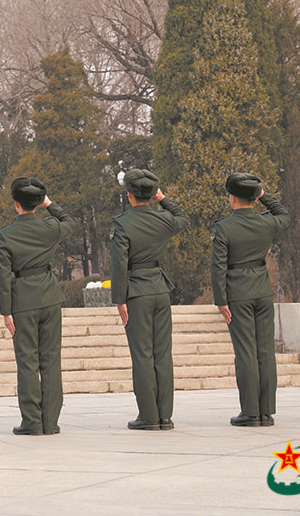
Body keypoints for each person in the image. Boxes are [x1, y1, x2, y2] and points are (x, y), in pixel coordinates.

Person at [0, 177, 75, 436]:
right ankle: (50, 421)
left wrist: (5, 310)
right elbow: (69, 222)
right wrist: (49, 203)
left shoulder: (5, 235)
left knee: (27, 361)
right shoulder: (50, 227)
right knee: (51, 359)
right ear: (38, 204)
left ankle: (32, 421)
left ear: (15, 203)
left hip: (23, 300)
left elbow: (3, 277)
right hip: (50, 297)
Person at [109, 169, 187, 431]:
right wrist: (163, 198)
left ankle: (148, 416)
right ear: (152, 195)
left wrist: (119, 299)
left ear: (129, 195)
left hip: (137, 292)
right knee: (162, 354)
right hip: (160, 289)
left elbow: (120, 265)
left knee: (142, 355)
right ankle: (165, 415)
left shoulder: (122, 224)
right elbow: (181, 217)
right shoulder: (163, 220)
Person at [210, 174, 290, 427]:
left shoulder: (224, 227)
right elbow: (283, 214)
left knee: (245, 352)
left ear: (232, 198)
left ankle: (250, 412)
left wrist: (221, 299)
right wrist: (263, 195)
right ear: (255, 198)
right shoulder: (267, 223)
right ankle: (266, 411)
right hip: (262, 290)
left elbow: (218, 266)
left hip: (238, 292)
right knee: (265, 351)